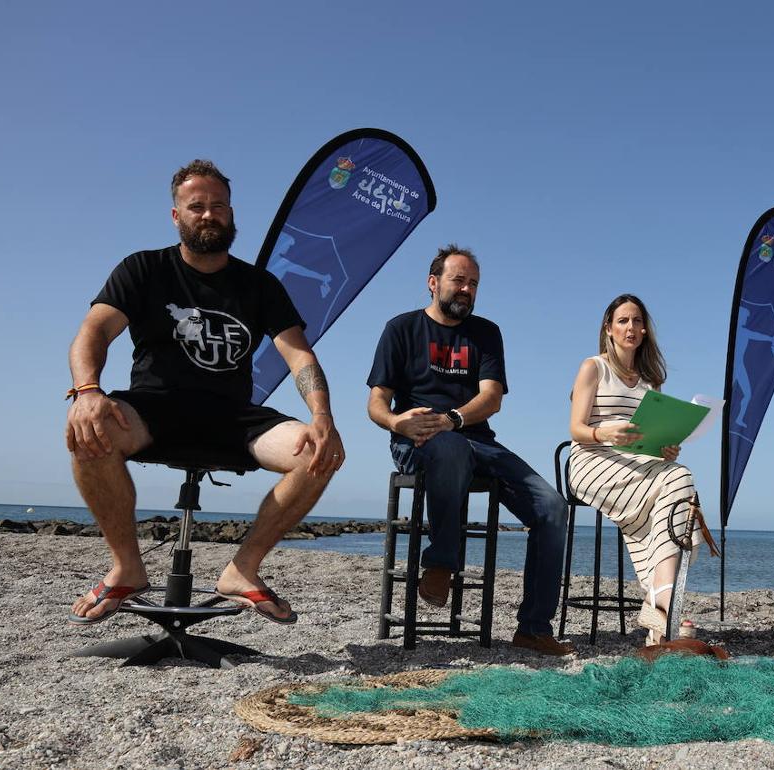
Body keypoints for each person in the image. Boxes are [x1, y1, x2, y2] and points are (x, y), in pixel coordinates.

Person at [66, 160, 345, 626]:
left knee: (317, 452)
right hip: (154, 407)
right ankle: (127, 568)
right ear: (177, 216)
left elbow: (300, 356)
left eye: (218, 206)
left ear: (231, 214)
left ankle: (242, 570)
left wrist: (322, 416)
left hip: (232, 415)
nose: (208, 215)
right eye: (197, 206)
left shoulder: (259, 285)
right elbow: (92, 332)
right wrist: (87, 391)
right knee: (87, 430)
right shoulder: (144, 268)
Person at [366, 245, 573, 656]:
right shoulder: (401, 328)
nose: (466, 289)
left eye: (473, 283)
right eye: (459, 280)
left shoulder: (486, 332)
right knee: (450, 449)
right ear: (433, 282)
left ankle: (533, 628)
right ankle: (442, 560)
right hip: (418, 442)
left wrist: (454, 419)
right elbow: (376, 402)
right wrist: (397, 422)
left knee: (552, 506)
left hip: (476, 439)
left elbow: (492, 397)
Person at [567, 294, 715, 646]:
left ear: (645, 330)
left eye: (636, 321)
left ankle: (658, 609)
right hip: (592, 460)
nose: (630, 327)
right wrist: (605, 432)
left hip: (640, 464)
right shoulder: (593, 367)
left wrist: (667, 446)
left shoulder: (651, 379)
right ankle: (662, 605)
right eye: (622, 321)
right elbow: (575, 428)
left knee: (679, 473)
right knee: (679, 483)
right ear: (609, 328)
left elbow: (652, 435)